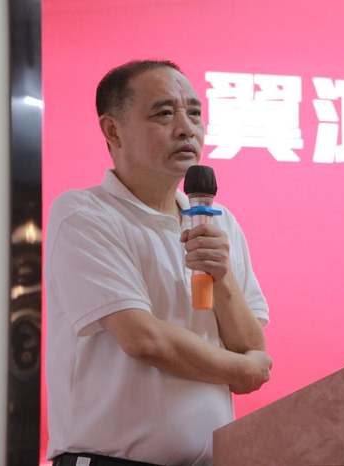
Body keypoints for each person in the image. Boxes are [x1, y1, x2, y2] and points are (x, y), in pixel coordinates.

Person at [44, 60, 273, 466]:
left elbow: (252, 346)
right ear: (113, 131)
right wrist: (242, 370)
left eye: (195, 114)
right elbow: (144, 339)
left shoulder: (218, 221)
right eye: (164, 114)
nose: (186, 128)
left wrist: (221, 277)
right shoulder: (85, 214)